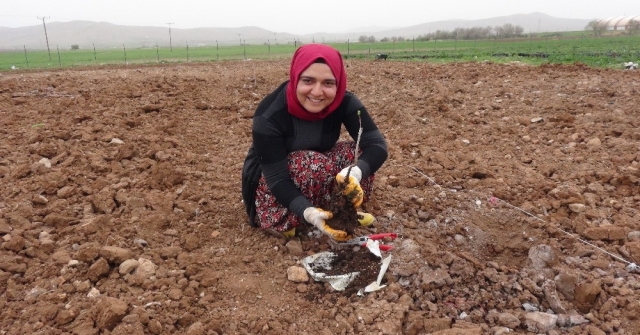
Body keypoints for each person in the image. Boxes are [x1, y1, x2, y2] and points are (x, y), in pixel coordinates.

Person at [241, 44, 388, 241]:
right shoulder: (269, 115)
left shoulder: (344, 101)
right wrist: (307, 211)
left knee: (355, 154)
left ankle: (341, 214)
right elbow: (276, 178)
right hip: (271, 182)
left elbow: (376, 144)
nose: (317, 92)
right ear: (295, 78)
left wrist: (354, 173)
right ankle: (286, 219)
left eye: (328, 83)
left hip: (314, 163)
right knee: (312, 163)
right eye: (308, 80)